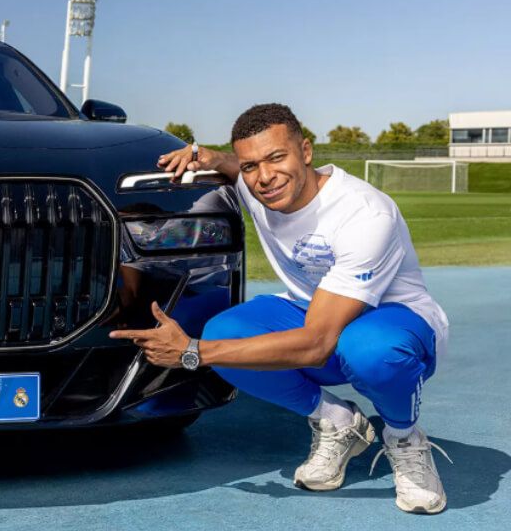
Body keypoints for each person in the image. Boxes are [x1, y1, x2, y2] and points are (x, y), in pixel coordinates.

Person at [111, 103, 451, 514]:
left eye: (277, 157)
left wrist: (192, 352)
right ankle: (338, 423)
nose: (265, 177)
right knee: (225, 334)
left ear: (305, 152)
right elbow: (232, 166)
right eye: (252, 166)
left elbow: (317, 344)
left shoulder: (364, 214)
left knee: (369, 349)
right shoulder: (258, 188)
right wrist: (207, 156)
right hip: (315, 312)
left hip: (396, 323)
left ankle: (404, 437)